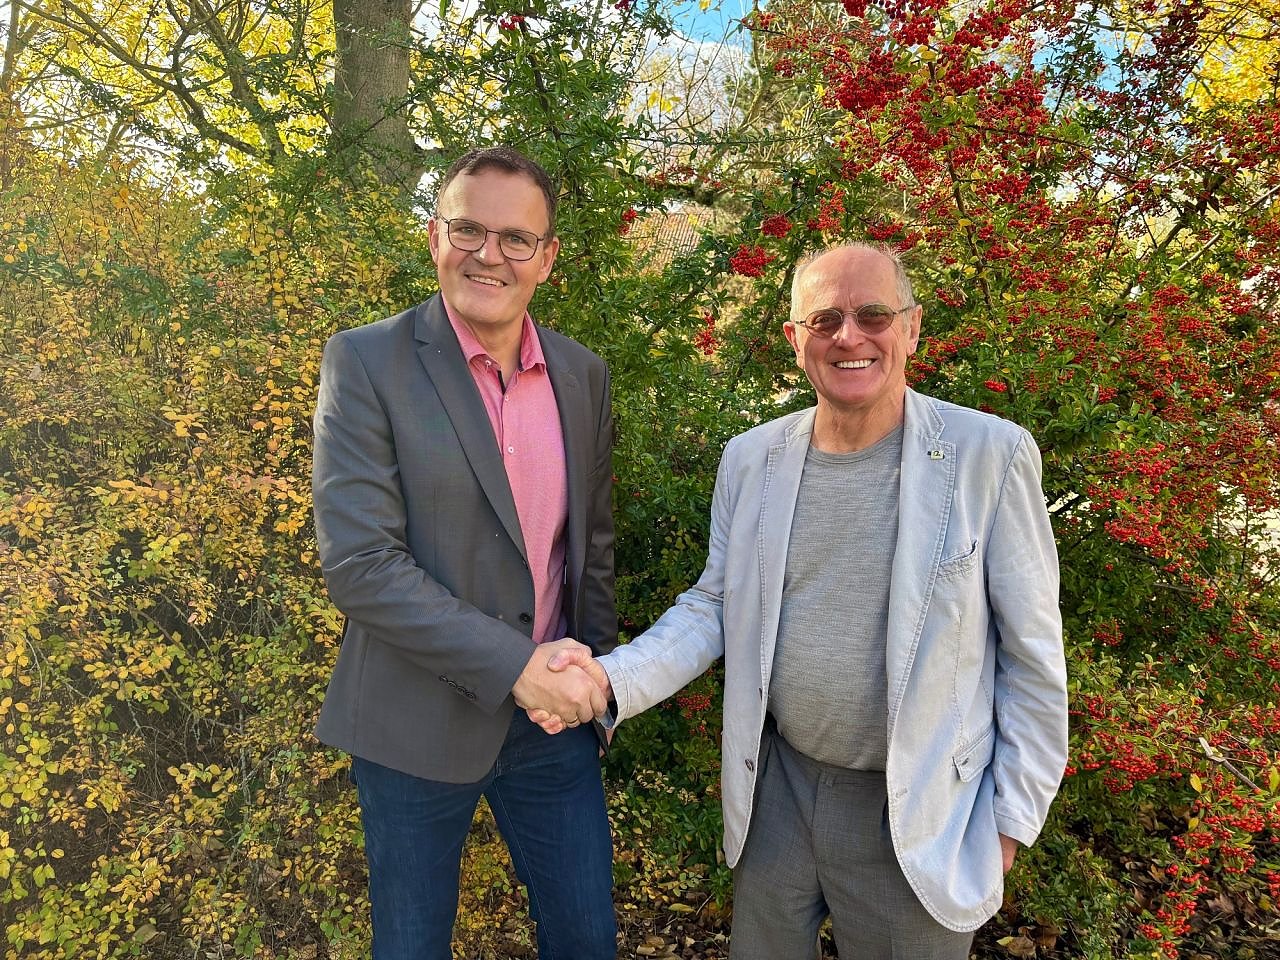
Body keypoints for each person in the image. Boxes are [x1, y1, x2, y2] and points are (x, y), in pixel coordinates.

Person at [535, 243, 1068, 959]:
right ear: (795, 338)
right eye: (824, 320)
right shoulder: (750, 459)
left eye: (873, 314)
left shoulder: (990, 456)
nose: (849, 336)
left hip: (923, 812)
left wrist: (1007, 825)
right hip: (777, 792)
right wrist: (608, 680)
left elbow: (1033, 658)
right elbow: (713, 604)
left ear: (911, 328)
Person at [312, 145, 618, 960]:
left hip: (551, 728)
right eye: (468, 230)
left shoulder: (582, 375)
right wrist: (515, 666)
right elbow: (362, 566)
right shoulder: (366, 361)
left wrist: (596, 684)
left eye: (517, 238)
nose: (490, 254)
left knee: (587, 940)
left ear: (547, 259)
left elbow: (589, 548)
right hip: (412, 723)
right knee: (412, 945)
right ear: (434, 236)